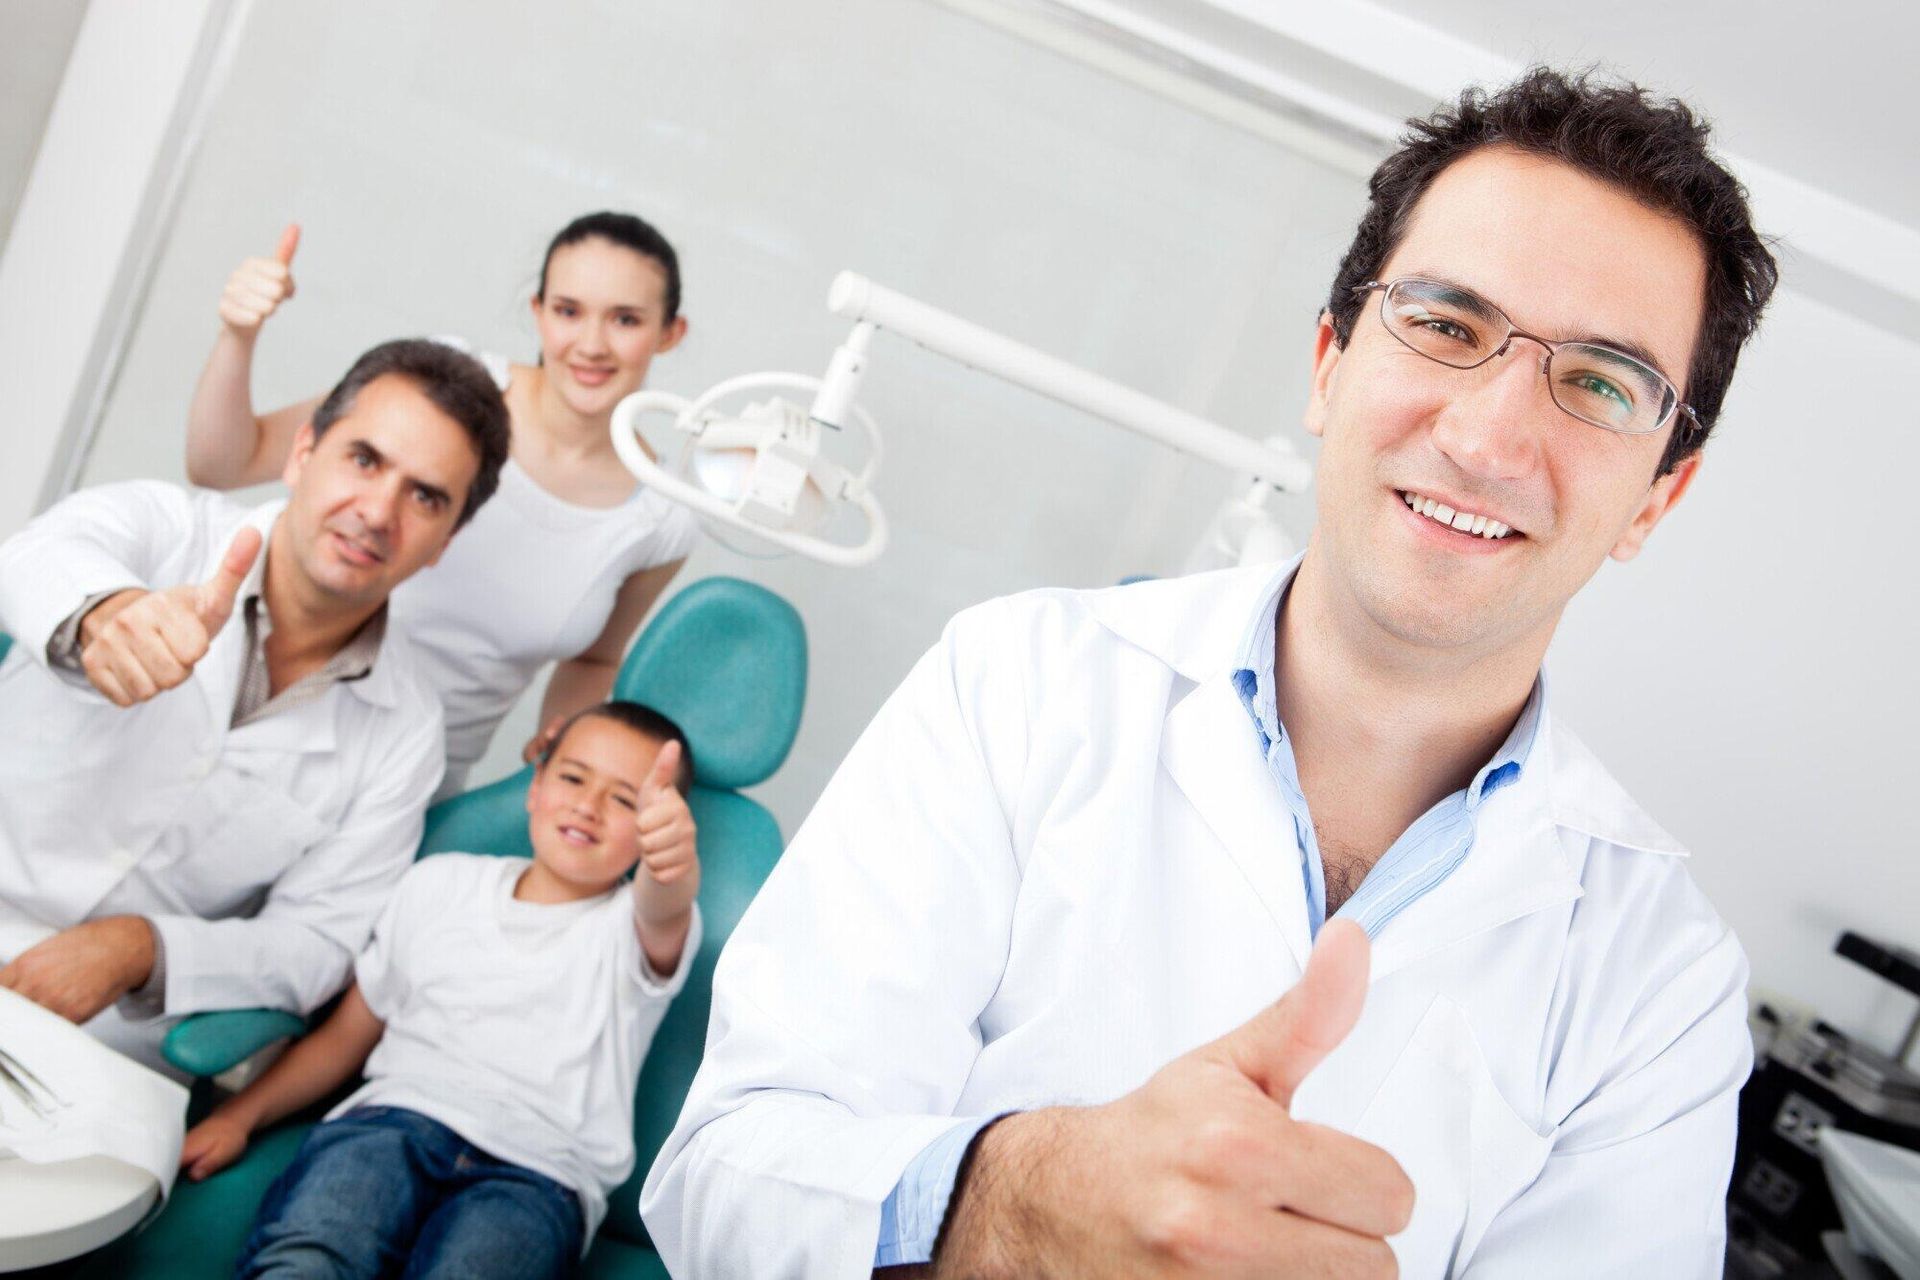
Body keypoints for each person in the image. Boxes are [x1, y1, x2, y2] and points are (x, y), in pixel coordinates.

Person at [643, 68, 1780, 1278]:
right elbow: (726, 1170)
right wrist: (1013, 1205)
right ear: (1329, 366)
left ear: (1658, 494)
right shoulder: (1016, 680)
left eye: (1602, 382)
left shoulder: (1664, 978)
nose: (1488, 438)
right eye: (1447, 325)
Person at [0, 338, 510, 1074]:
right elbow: (35, 555)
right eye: (364, 460)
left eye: (425, 496)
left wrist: (141, 948)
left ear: (446, 542)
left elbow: (316, 942)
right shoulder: (166, 528)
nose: (377, 510)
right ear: (303, 453)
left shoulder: (407, 730)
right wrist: (104, 617)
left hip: (104, 1042)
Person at [185, 211, 701, 799]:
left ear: (669, 333)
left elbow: (593, 660)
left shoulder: (662, 517)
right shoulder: (442, 390)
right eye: (568, 311)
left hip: (413, 787)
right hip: (268, 719)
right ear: (537, 312)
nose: (591, 344)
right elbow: (220, 465)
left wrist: (569, 745)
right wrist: (238, 334)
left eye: (626, 320)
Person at [178, 701, 703, 1279]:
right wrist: (239, 1117)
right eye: (573, 778)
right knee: (309, 1256)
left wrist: (667, 859)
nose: (588, 805)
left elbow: (665, 904)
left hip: (537, 1177)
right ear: (536, 786)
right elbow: (344, 1039)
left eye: (626, 801)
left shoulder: (630, 928)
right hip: (387, 1129)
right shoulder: (439, 884)